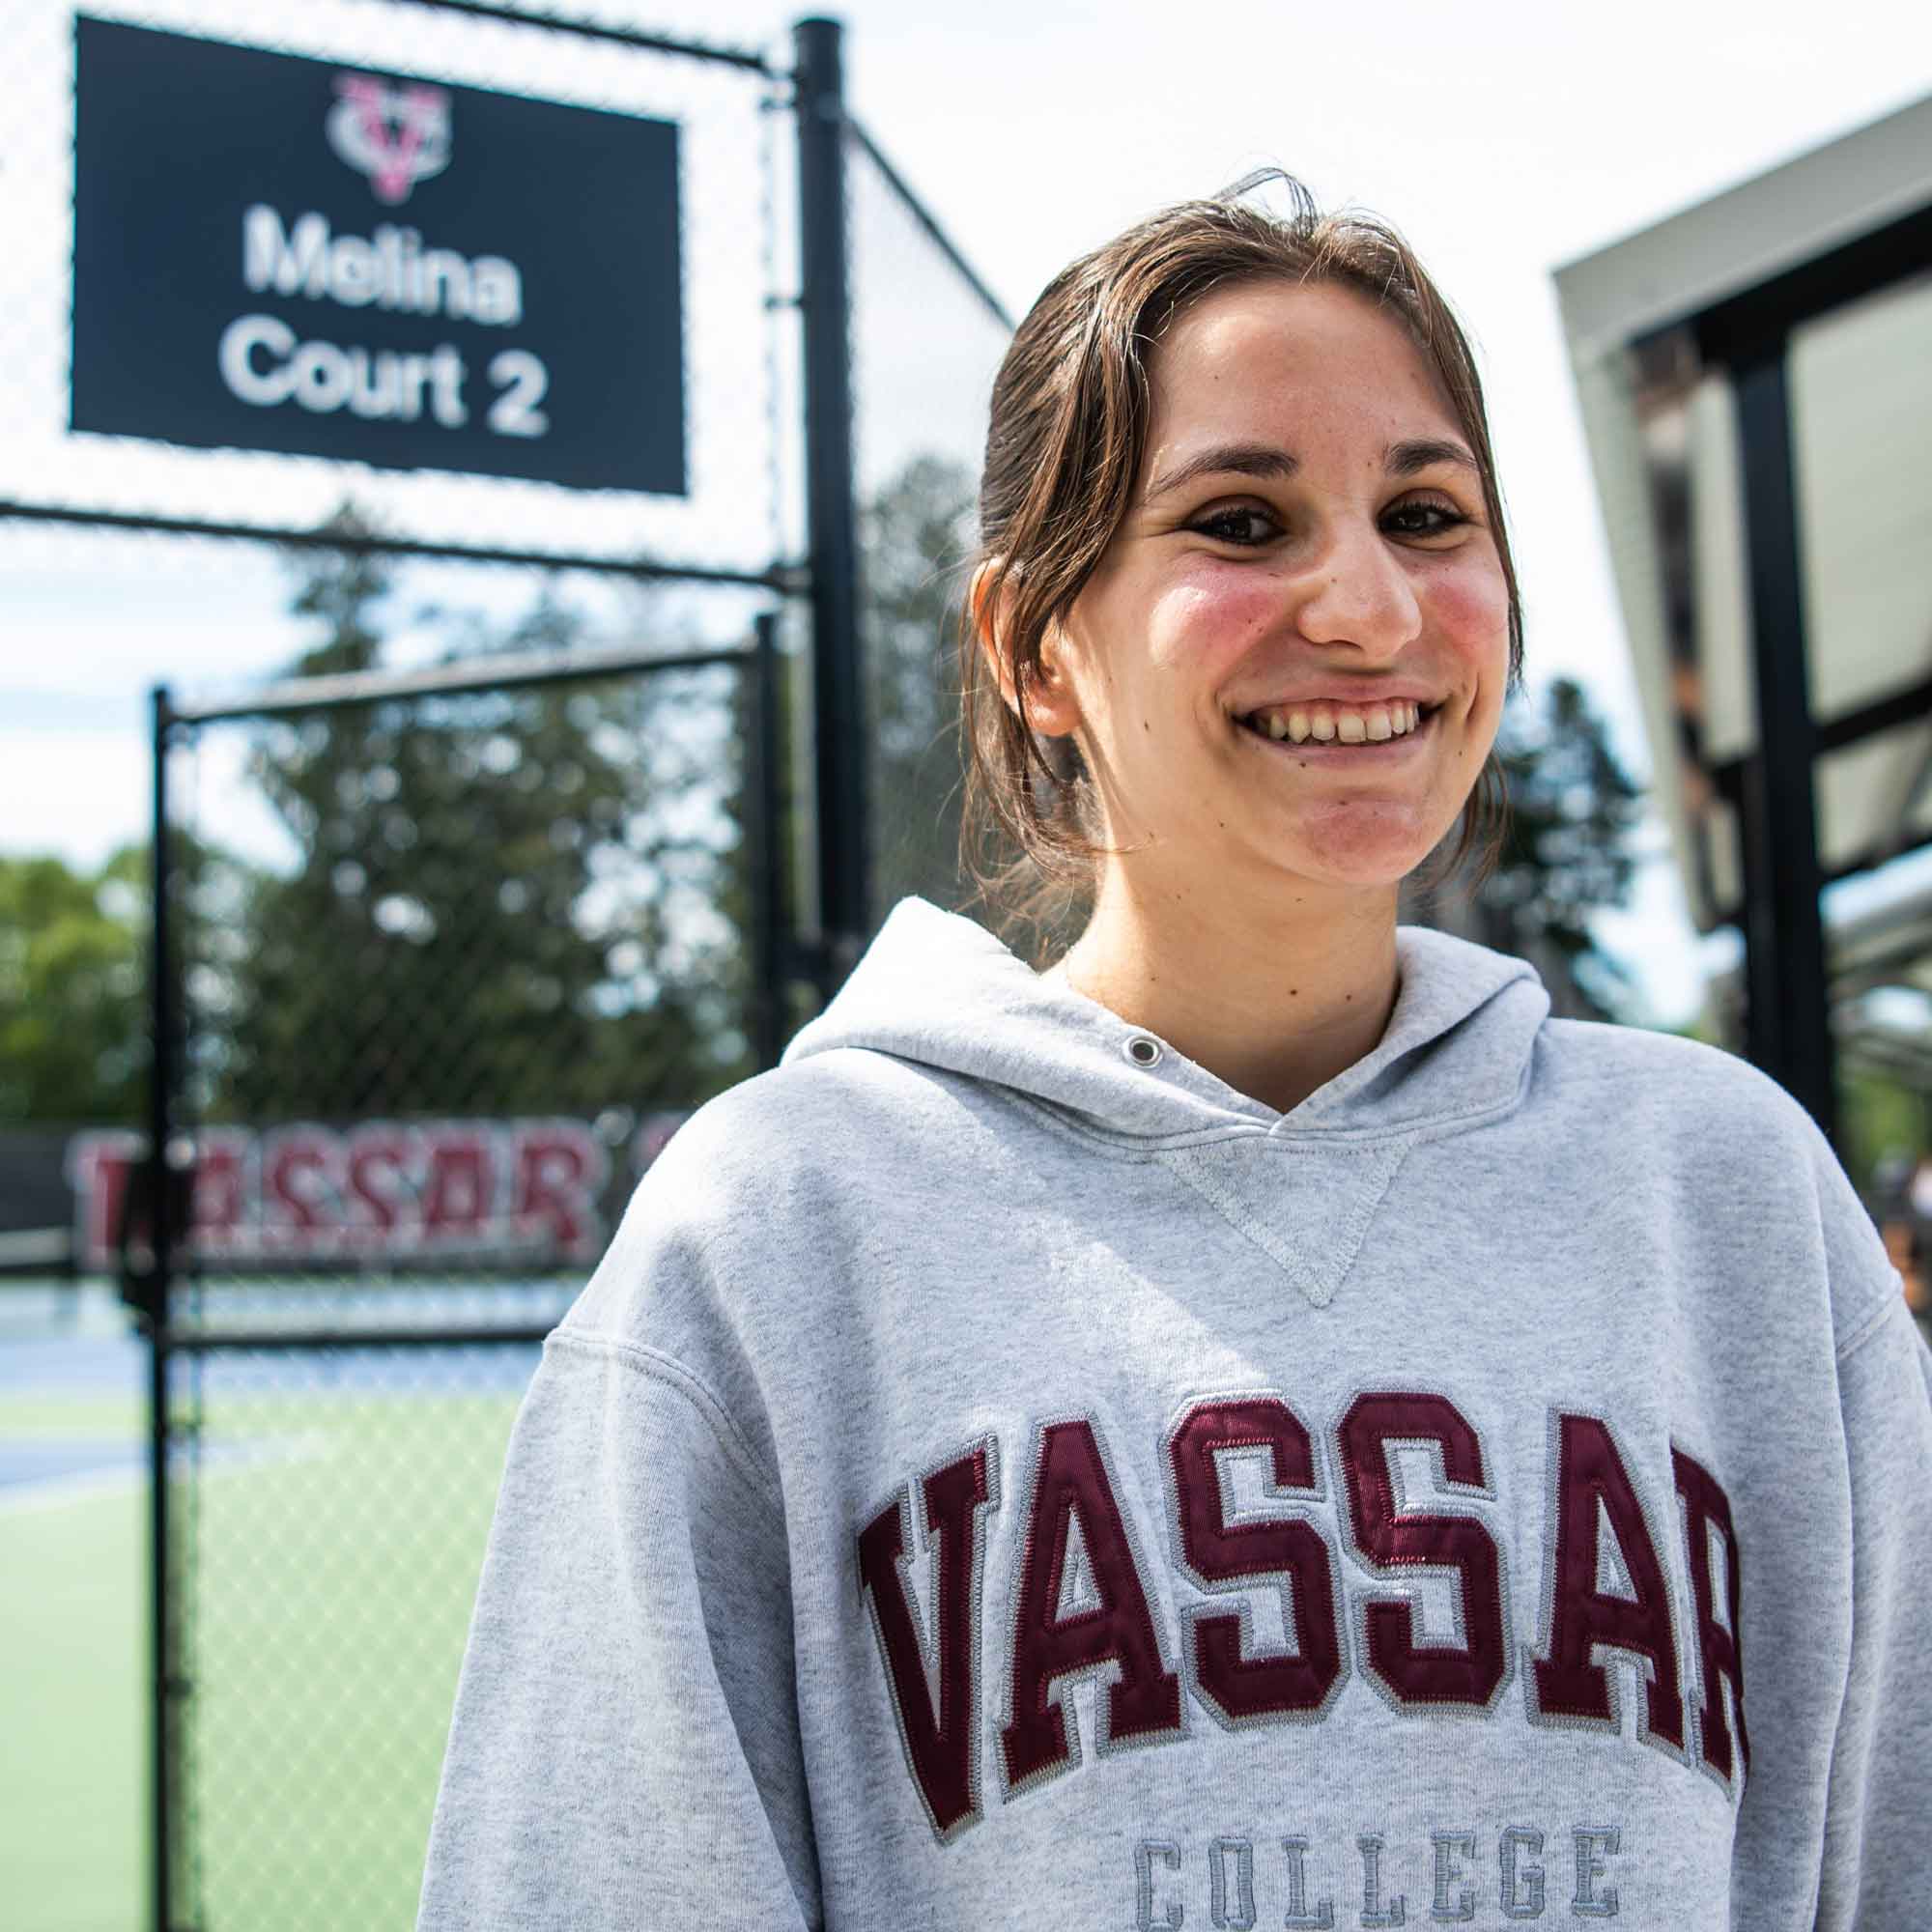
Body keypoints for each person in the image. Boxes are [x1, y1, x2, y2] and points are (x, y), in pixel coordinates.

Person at [414, 177, 1932, 1931]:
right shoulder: (775, 1236)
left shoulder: (1727, 1193)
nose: (1368, 606)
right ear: (1030, 646)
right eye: (1241, 520)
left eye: (1427, 512)